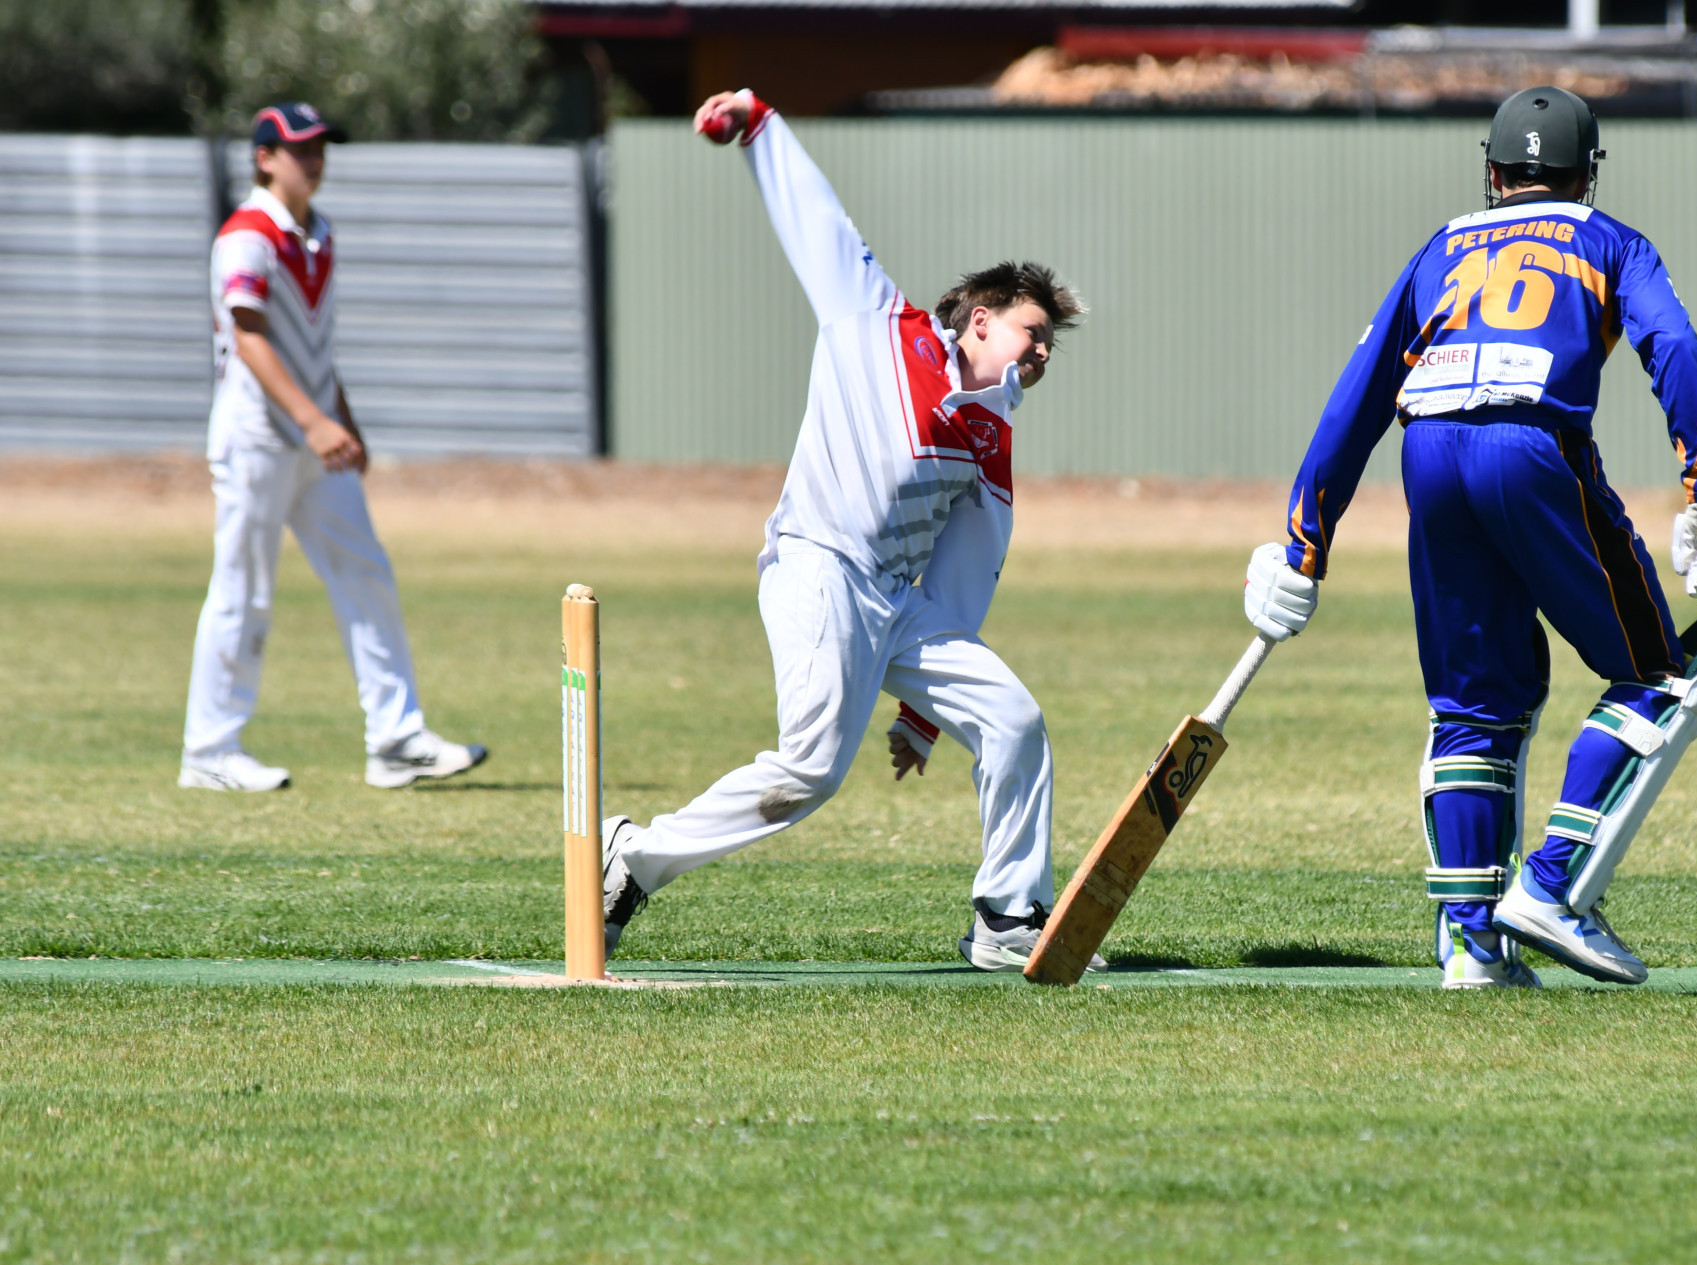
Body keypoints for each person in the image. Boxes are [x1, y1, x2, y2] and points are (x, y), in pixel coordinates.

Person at [1241, 87, 1697, 989]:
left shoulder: (1441, 247)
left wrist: (1302, 543)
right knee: (1661, 677)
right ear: (1585, 172)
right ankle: (1553, 888)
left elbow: (1356, 397)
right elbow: (1673, 345)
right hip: (1534, 444)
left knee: (1474, 708)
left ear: (1491, 172)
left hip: (1427, 449)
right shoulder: (1611, 241)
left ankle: (1471, 945)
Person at [599, 89, 1093, 973]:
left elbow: (964, 577)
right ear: (981, 320)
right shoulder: (876, 323)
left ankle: (1008, 917)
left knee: (1014, 720)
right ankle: (632, 858)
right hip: (817, 568)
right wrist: (758, 127)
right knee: (811, 770)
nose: (1044, 352)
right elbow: (819, 224)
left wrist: (924, 712)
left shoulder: (994, 439)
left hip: (900, 606)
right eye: (1033, 332)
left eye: (1051, 343)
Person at [179, 103, 486, 793]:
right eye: (298, 148)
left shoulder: (318, 232)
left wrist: (341, 420)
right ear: (264, 157)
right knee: (243, 590)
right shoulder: (246, 234)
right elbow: (249, 335)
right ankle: (209, 750)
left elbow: (312, 345)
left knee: (366, 573)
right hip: (258, 439)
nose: (313, 159)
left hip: (314, 439)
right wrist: (315, 421)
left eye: (320, 147)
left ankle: (397, 739)